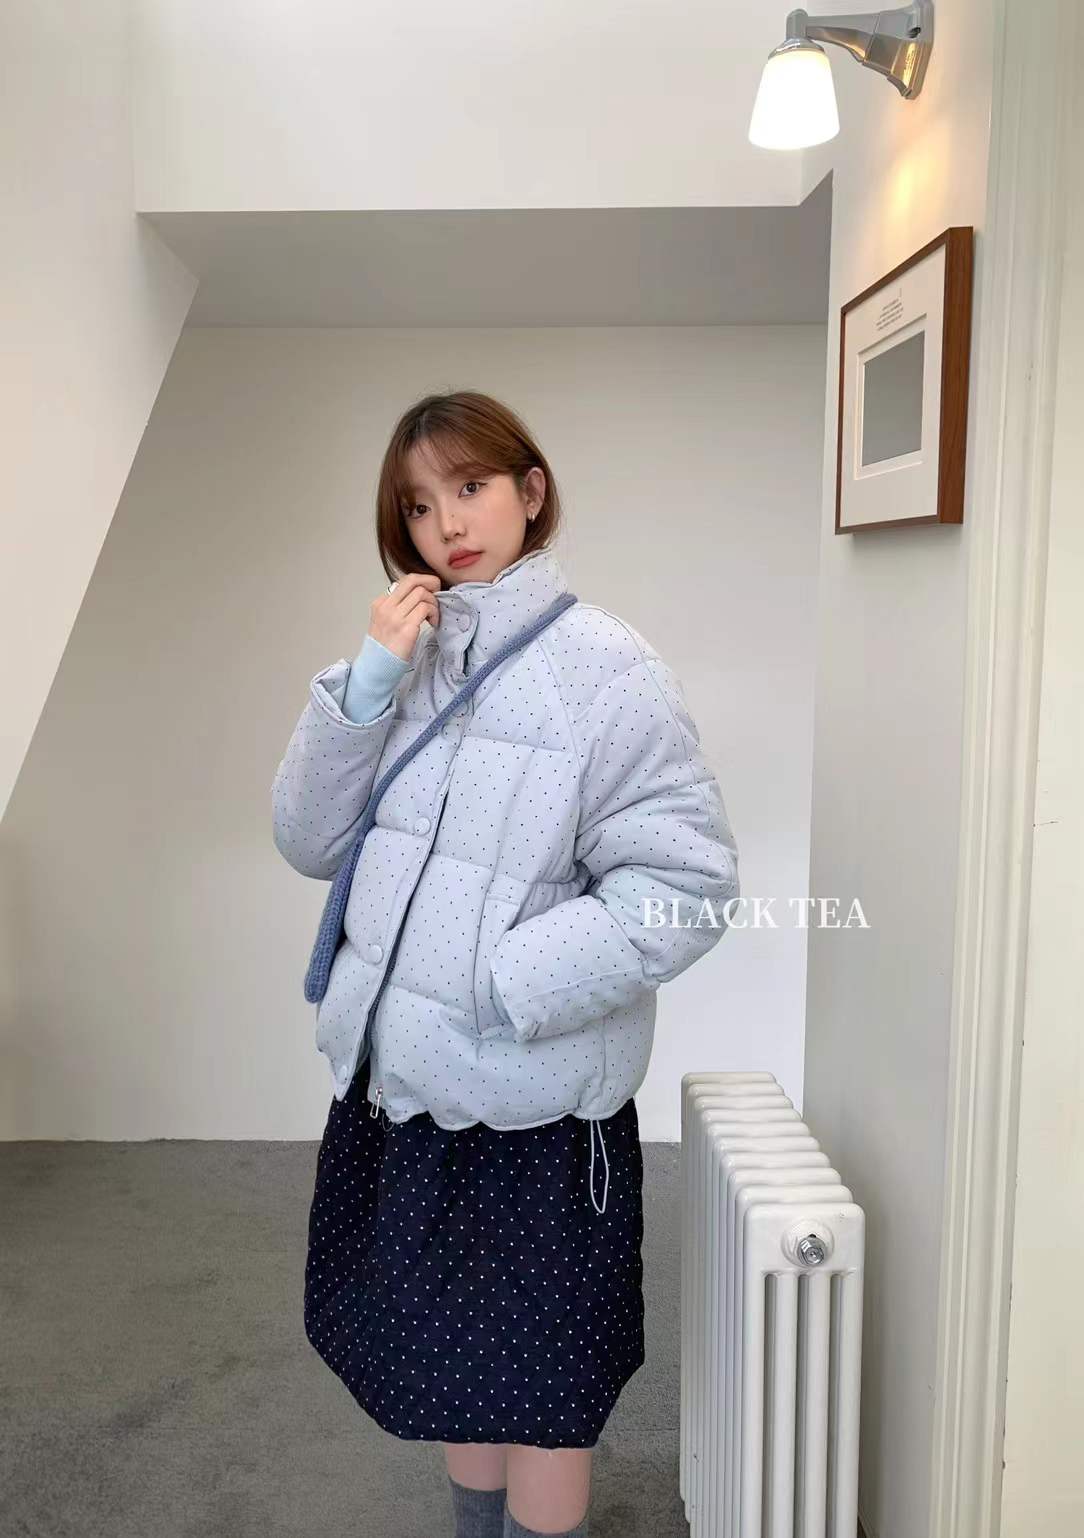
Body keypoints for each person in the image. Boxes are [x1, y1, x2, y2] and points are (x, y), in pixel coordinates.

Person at [271, 390, 740, 1538]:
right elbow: (309, 840)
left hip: (533, 1107)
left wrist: (502, 980)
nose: (446, 523)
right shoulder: (404, 662)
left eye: (470, 486)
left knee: (543, 1387)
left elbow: (685, 883)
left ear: (531, 491)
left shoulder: (608, 668)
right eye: (417, 504)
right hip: (402, 1088)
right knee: (448, 1358)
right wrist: (365, 687)